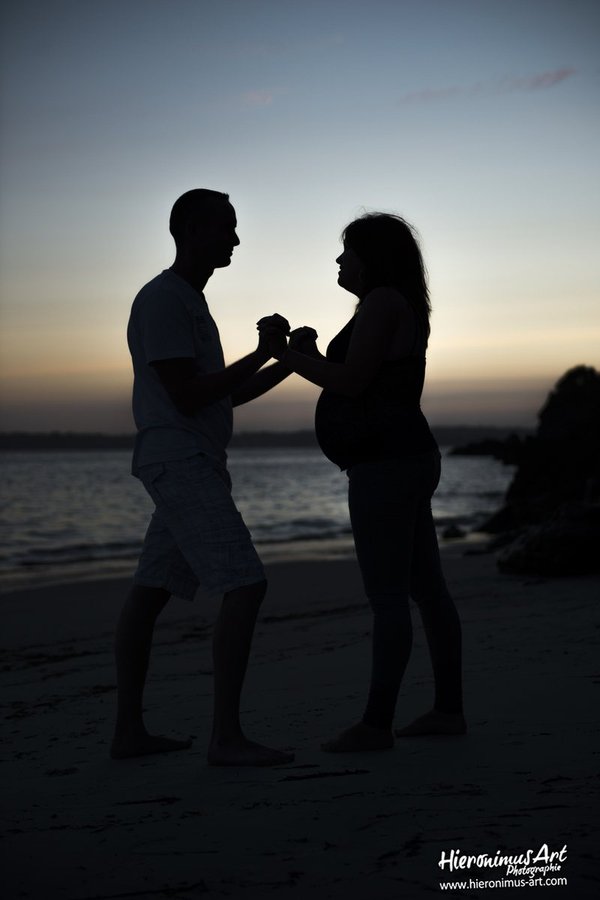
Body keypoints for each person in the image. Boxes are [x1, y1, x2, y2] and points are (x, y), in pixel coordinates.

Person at [260, 212, 466, 752]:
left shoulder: (381, 303)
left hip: (387, 465)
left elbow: (352, 383)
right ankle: (448, 710)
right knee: (427, 591)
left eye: (347, 251)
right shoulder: (396, 304)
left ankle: (376, 725)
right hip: (403, 458)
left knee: (390, 596)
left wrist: (282, 354)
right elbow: (363, 375)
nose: (339, 260)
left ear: (374, 257)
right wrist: (305, 357)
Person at [112, 188, 295, 766]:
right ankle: (225, 739)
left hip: (191, 459)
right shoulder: (164, 299)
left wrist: (283, 362)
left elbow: (226, 395)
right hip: (179, 459)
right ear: (190, 229)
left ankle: (128, 733)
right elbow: (188, 396)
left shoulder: (190, 302)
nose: (236, 239)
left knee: (149, 595)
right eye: (227, 227)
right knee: (245, 583)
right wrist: (263, 351)